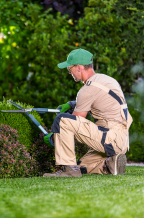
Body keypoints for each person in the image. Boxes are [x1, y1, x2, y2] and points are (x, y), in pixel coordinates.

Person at [43, 49, 133, 177]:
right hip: (121, 140)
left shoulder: (87, 90)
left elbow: (74, 123)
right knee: (81, 166)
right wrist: (72, 104)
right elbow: (101, 102)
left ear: (79, 67)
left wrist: (53, 137)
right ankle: (109, 164)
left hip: (110, 138)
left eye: (70, 68)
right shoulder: (106, 80)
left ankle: (69, 172)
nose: (69, 72)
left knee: (62, 120)